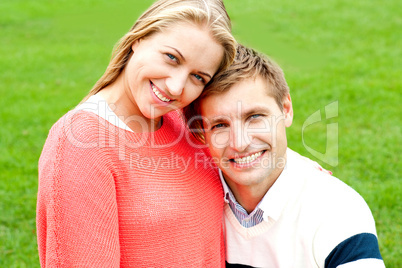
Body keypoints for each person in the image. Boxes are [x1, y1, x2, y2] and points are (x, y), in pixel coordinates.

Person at [36, 0, 236, 267]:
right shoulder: (81, 144)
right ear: (139, 38)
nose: (177, 88)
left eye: (198, 77)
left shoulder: (184, 123)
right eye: (171, 58)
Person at [184, 44, 385, 267]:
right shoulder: (191, 201)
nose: (240, 143)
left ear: (286, 109)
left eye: (254, 117)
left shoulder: (337, 211)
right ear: (202, 133)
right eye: (220, 125)